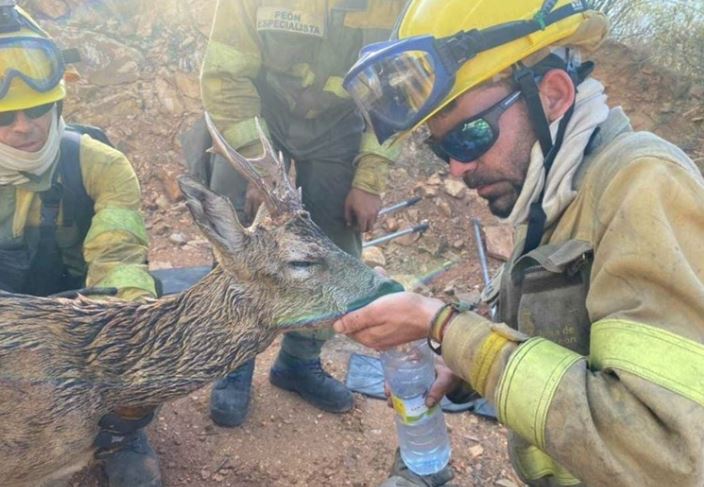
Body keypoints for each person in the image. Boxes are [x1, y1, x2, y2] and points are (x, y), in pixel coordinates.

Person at [336, 0, 704, 486]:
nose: (456, 169)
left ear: (551, 96)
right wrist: (463, 368)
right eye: (442, 148)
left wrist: (443, 325)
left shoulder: (644, 185)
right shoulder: (556, 192)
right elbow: (564, 344)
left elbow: (666, 453)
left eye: (469, 137)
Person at [199, 0, 406, 426]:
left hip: (339, 122)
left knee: (335, 243)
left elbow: (397, 90)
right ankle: (233, 360)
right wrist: (255, 163)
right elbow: (225, 76)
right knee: (237, 238)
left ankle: (298, 361)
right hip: (257, 114)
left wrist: (369, 178)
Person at [0, 5, 161, 487]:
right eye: (6, 116)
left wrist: (133, 330)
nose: (24, 127)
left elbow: (119, 255)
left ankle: (120, 433)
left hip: (81, 317)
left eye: (39, 111)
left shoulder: (101, 165)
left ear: (59, 106)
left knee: (140, 318)